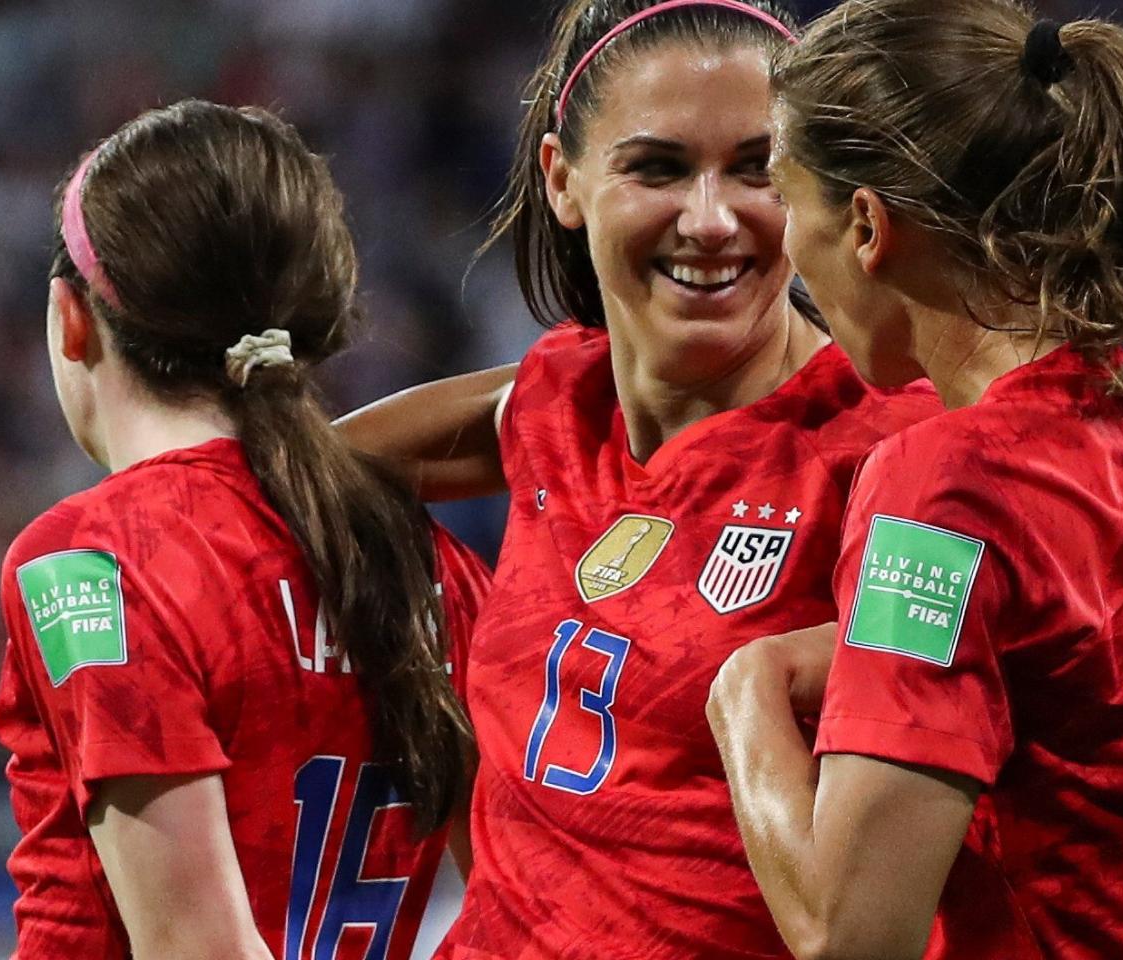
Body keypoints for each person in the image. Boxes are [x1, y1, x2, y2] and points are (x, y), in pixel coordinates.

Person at [706, 2, 1123, 958]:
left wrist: (748, 689)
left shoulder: (950, 488)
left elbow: (850, 935)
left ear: (865, 225)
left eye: (785, 199)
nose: (784, 258)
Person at [338, 1, 941, 957]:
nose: (710, 219)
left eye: (758, 169)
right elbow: (319, 474)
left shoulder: (895, 462)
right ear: (563, 180)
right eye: (658, 168)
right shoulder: (556, 404)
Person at [0, 99, 491, 960]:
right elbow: (514, 904)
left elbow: (200, 948)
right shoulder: (435, 569)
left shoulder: (92, 564)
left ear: (69, 319)